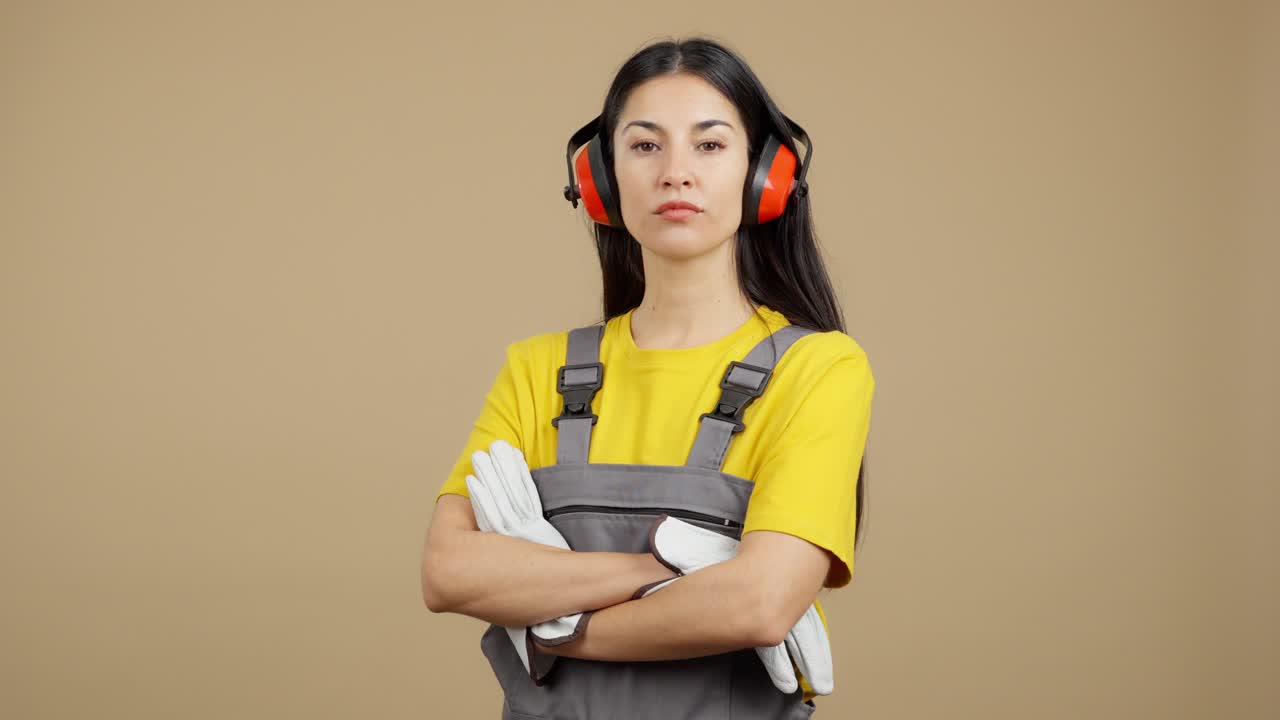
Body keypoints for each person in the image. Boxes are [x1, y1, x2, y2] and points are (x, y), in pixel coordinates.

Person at [420, 36, 875, 719]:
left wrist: (556, 628)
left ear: (764, 176)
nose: (676, 173)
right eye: (645, 145)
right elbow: (448, 571)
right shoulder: (537, 368)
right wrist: (666, 571)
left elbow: (758, 603)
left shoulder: (819, 369)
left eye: (710, 145)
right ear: (601, 181)